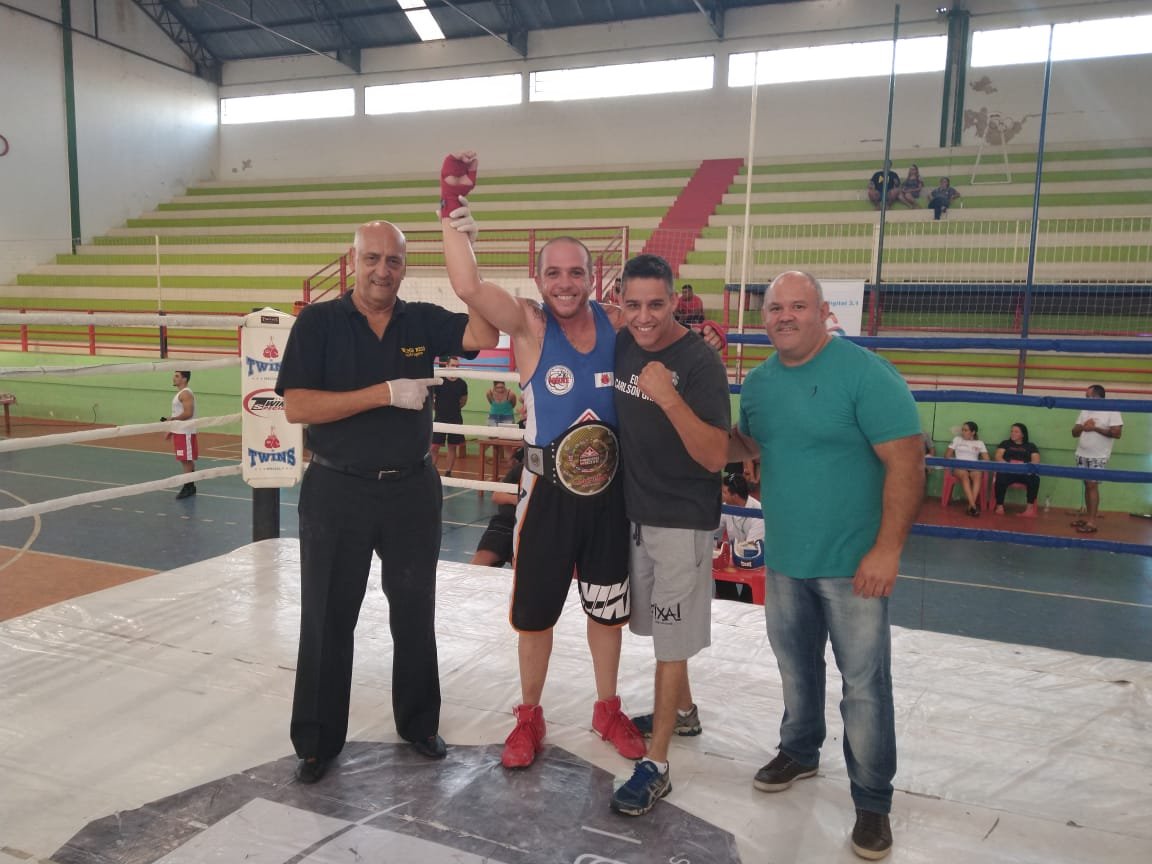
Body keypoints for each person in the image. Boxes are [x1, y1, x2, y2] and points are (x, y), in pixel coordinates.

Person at [439, 151, 646, 770]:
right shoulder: (528, 326)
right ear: (539, 276)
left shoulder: (616, 321)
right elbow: (468, 287)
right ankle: (529, 714)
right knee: (535, 613)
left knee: (606, 606)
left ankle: (606, 707)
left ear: (592, 276)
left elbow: (667, 329)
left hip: (610, 494)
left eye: (575, 272)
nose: (564, 282)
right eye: (553, 272)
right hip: (547, 494)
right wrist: (452, 213)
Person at [274, 219, 498, 785]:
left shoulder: (421, 318)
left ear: (404, 265)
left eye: (393, 261)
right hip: (335, 489)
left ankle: (420, 724)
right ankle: (318, 741)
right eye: (372, 259)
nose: (382, 271)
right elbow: (298, 405)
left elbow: (484, 335)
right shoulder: (319, 322)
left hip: (410, 488)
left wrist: (463, 242)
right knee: (327, 616)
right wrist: (384, 393)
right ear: (355, 261)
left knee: (414, 610)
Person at [730, 270, 923, 861]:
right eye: (774, 308)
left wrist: (887, 549)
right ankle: (801, 748)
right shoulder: (760, 384)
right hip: (787, 555)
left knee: (864, 685)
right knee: (795, 667)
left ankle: (871, 800)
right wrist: (677, 418)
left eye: (797, 306)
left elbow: (908, 461)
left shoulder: (865, 373)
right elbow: (749, 443)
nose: (784, 316)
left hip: (853, 562)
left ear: (822, 312)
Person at [609, 253, 730, 817]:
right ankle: (682, 714)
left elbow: (713, 456)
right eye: (633, 305)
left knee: (671, 640)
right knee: (658, 629)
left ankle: (656, 764)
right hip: (638, 511)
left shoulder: (700, 363)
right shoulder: (624, 338)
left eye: (656, 304)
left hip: (683, 520)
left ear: (676, 299)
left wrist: (668, 395)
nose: (644, 316)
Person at [1071, 384, 1123, 534]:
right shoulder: (1085, 410)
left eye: (1089, 396)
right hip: (1082, 453)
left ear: (1098, 397)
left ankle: (1092, 522)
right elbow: (1074, 432)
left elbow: (1117, 433)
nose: (1086, 399)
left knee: (1092, 486)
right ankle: (1088, 517)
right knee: (1087, 486)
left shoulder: (1112, 410)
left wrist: (1095, 428)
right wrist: (1083, 427)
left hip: (1098, 455)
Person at [471, 459, 523, 567]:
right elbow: (496, 496)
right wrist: (518, 500)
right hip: (504, 522)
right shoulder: (521, 468)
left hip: (532, 525)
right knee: (479, 561)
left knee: (520, 568)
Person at [430, 356, 468, 477]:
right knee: (434, 447)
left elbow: (463, 401)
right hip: (440, 418)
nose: (455, 368)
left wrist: (453, 409)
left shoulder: (462, 383)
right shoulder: (439, 381)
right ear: (447, 365)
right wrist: (440, 409)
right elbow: (431, 400)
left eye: (457, 366)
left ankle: (448, 472)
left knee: (452, 447)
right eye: (453, 365)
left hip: (455, 418)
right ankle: (431, 472)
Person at [993, 423, 1041, 517]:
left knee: (1035, 479)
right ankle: (999, 506)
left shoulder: (1030, 446)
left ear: (1023, 434)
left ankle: (1029, 509)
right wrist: (1008, 465)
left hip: (1024, 472)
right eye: (1012, 431)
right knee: (1000, 477)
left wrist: (1024, 466)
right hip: (1008, 470)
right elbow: (998, 456)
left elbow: (1036, 460)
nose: (1013, 433)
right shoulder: (1005, 443)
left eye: (1016, 431)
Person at [163, 370, 197, 500]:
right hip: (180, 431)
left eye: (177, 376)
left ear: (184, 379)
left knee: (186, 460)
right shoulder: (180, 394)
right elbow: (178, 413)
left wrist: (172, 420)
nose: (174, 378)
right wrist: (171, 430)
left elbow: (188, 413)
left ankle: (188, 486)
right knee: (185, 460)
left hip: (185, 432)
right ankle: (191, 485)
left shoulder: (186, 394)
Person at [946, 421, 989, 516]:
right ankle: (973, 506)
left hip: (974, 467)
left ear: (973, 432)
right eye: (963, 430)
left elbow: (987, 459)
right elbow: (947, 455)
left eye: (966, 430)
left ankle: (970, 507)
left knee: (978, 475)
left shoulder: (979, 443)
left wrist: (980, 462)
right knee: (964, 475)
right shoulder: (957, 439)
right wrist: (951, 451)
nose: (963, 432)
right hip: (959, 467)